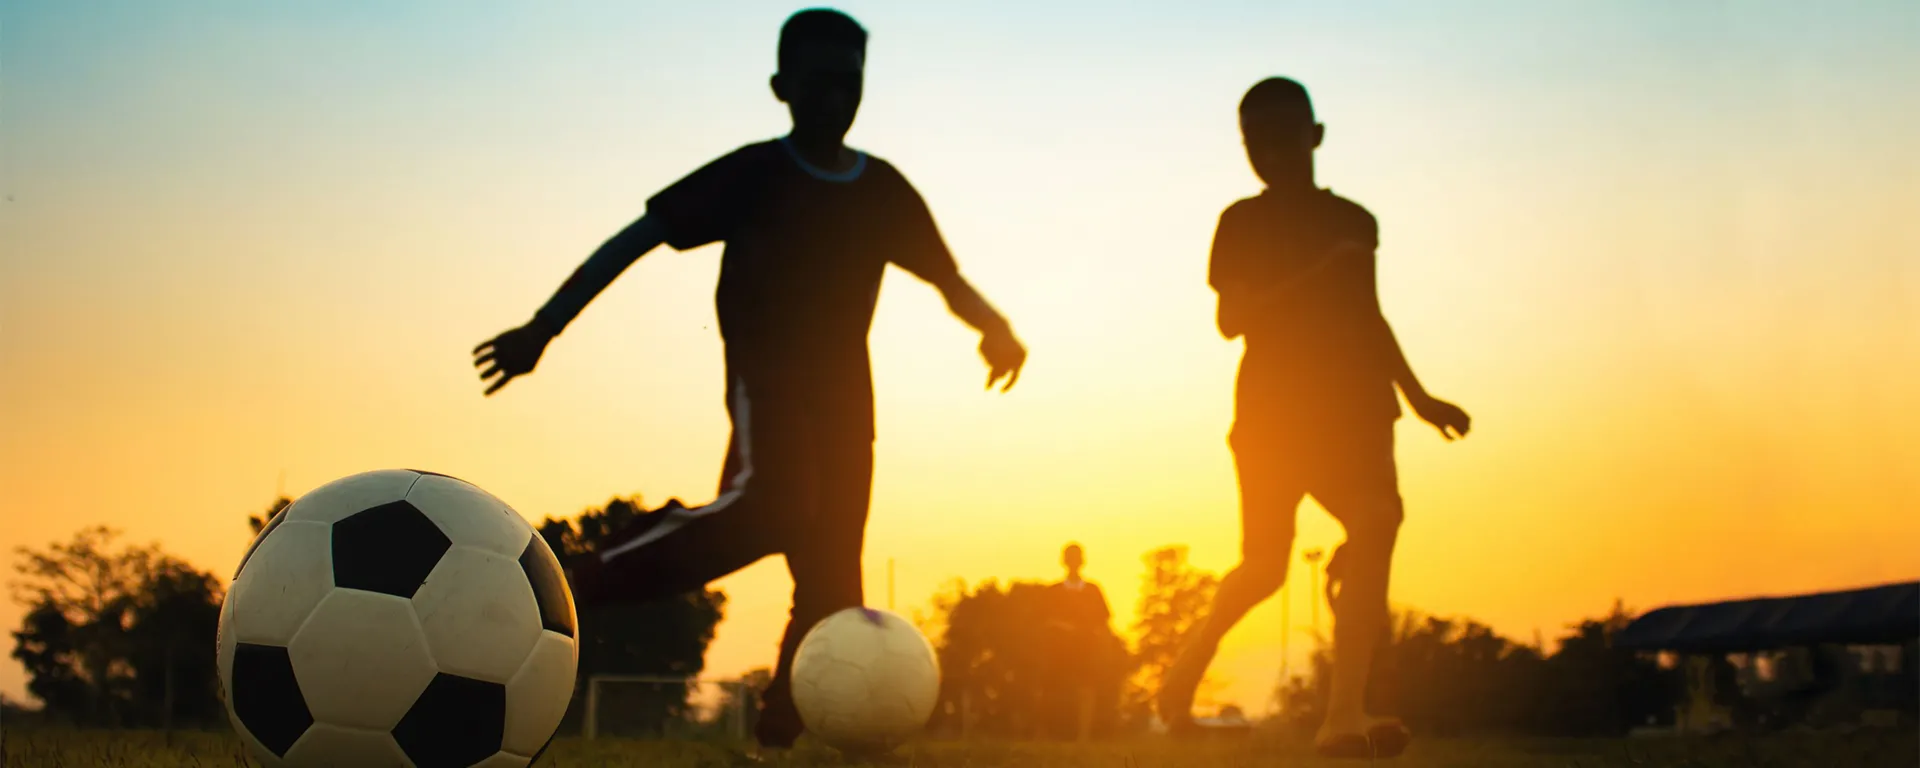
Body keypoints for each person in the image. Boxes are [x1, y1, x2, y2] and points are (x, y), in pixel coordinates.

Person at [469, 8, 1027, 751]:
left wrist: (995, 330)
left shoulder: (884, 189)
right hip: (769, 379)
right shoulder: (757, 173)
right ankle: (588, 574)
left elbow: (946, 276)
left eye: (849, 82)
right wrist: (543, 327)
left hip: (849, 402)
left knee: (833, 579)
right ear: (781, 87)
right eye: (819, 81)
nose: (836, 97)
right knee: (774, 506)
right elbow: (637, 238)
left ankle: (778, 732)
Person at [1154, 77, 1471, 760]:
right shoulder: (1240, 222)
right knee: (1265, 566)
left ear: (1315, 136)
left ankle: (1345, 716)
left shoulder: (1355, 221)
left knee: (1379, 520)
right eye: (1254, 141)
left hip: (1355, 405)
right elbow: (1231, 319)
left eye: (1283, 135)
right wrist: (1319, 272)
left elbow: (1368, 313)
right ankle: (1192, 657)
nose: (1269, 151)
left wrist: (1420, 399)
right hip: (1273, 412)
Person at [1039, 543, 1121, 740]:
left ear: (1081, 561)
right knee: (1055, 691)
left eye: (1077, 557)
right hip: (1059, 650)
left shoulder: (1093, 590)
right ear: (1064, 561)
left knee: (1087, 690)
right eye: (1070, 557)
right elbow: (1044, 619)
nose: (1073, 562)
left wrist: (1104, 645)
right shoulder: (1054, 591)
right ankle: (1052, 733)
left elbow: (1104, 620)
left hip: (1086, 648)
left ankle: (1083, 736)